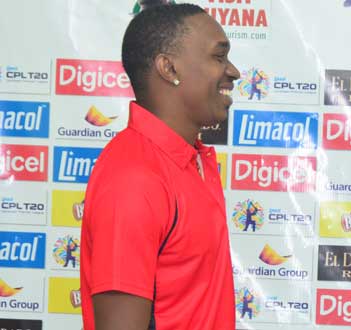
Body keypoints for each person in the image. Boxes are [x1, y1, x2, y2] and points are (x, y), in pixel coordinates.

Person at [80, 4, 240, 330]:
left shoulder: (193, 161)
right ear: (169, 68)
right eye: (218, 57)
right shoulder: (134, 179)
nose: (234, 71)